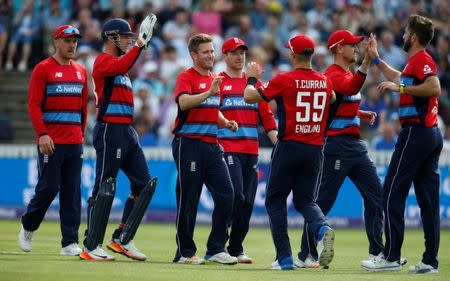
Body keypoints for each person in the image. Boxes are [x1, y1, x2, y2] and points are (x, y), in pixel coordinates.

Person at [244, 34, 336, 270]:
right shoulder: (325, 81)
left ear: (293, 55)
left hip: (289, 146)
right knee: (305, 200)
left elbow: (249, 96)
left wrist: (252, 78)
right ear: (311, 55)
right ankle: (322, 227)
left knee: (275, 199)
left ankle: (284, 258)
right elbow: (333, 97)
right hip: (315, 149)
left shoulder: (285, 79)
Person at [361, 14, 443, 274]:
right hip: (429, 134)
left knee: (392, 192)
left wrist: (402, 91)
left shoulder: (423, 60)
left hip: (415, 134)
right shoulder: (414, 64)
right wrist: (375, 58)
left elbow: (434, 88)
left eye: (407, 33)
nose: (403, 36)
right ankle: (430, 261)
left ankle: (391, 256)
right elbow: (399, 76)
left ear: (415, 37)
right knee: (428, 201)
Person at [297, 30, 385, 268]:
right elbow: (349, 87)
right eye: (352, 45)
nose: (356, 48)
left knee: (376, 196)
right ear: (338, 48)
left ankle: (378, 253)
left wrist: (359, 113)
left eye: (357, 46)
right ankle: (307, 254)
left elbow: (344, 100)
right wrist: (367, 61)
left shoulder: (344, 73)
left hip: (355, 146)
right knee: (323, 201)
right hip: (336, 146)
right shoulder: (331, 75)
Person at [80, 15, 158, 261]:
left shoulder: (122, 65)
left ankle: (122, 238)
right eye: (124, 37)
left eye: (130, 37)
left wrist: (137, 47)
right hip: (110, 130)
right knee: (105, 185)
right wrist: (140, 45)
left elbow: (125, 65)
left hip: (127, 131)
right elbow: (122, 65)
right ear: (111, 37)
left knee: (144, 184)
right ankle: (91, 245)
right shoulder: (102, 61)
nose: (128, 40)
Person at [18, 25, 88, 256]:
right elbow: (33, 104)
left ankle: (69, 242)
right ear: (56, 42)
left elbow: (82, 108)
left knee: (72, 190)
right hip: (51, 141)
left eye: (75, 41)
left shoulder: (80, 70)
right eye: (67, 41)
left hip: (74, 141)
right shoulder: (43, 69)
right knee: (48, 188)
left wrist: (81, 134)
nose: (72, 45)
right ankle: (28, 226)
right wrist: (42, 134)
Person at [172, 33, 239, 265]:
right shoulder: (186, 77)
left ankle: (216, 248)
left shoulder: (213, 79)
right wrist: (209, 92)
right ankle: (184, 253)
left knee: (227, 195)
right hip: (188, 143)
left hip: (212, 145)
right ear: (193, 55)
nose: (211, 55)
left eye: (212, 51)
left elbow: (211, 109)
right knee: (189, 199)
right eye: (205, 52)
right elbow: (184, 103)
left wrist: (225, 122)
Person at [218, 37, 278, 264]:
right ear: (225, 56)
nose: (239, 56)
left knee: (248, 202)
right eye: (234, 52)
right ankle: (219, 244)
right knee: (235, 196)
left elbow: (266, 115)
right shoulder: (219, 81)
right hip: (227, 148)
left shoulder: (253, 85)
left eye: (242, 52)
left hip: (251, 150)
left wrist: (276, 141)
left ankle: (235, 247)